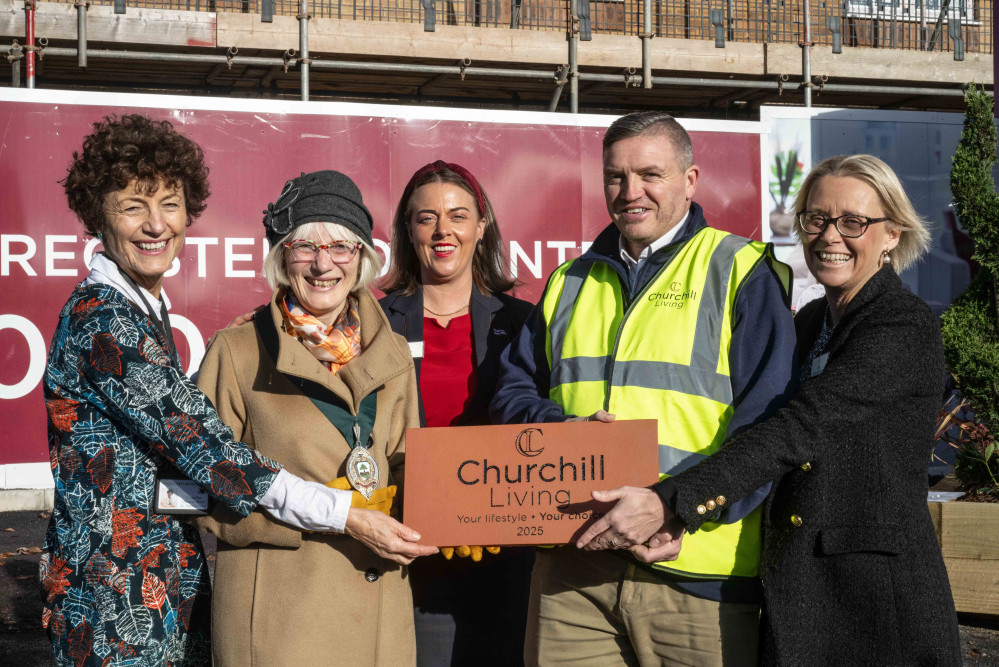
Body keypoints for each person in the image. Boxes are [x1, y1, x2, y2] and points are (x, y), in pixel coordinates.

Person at [581, 154, 962, 665]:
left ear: (892, 234)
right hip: (799, 587)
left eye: (853, 222)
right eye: (816, 218)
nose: (830, 236)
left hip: (872, 600)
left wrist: (673, 501)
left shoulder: (902, 326)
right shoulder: (807, 322)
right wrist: (682, 520)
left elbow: (799, 429)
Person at [40, 115, 361, 666]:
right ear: (99, 217)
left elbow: (153, 425)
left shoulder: (141, 309)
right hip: (115, 604)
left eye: (169, 203)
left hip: (160, 586)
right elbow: (203, 446)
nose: (154, 225)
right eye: (132, 206)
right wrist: (344, 512)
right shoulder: (104, 321)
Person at [490, 111, 797, 666]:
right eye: (616, 176)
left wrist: (678, 510)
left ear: (690, 180)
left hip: (693, 570)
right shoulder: (569, 280)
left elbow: (771, 430)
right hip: (573, 569)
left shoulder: (740, 271)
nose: (631, 192)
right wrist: (567, 434)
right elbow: (513, 395)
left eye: (650, 175)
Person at [194, 170, 438, 665]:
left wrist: (454, 511)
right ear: (282, 255)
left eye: (341, 247)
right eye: (305, 245)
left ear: (362, 258)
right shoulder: (237, 352)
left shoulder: (391, 351)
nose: (323, 263)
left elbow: (406, 460)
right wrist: (328, 517)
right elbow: (200, 487)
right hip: (280, 614)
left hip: (378, 610)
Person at [380, 160, 534, 666]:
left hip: (503, 551)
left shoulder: (523, 321)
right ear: (408, 229)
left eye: (458, 216)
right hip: (407, 551)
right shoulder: (372, 321)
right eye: (426, 218)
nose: (443, 231)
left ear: (482, 225)